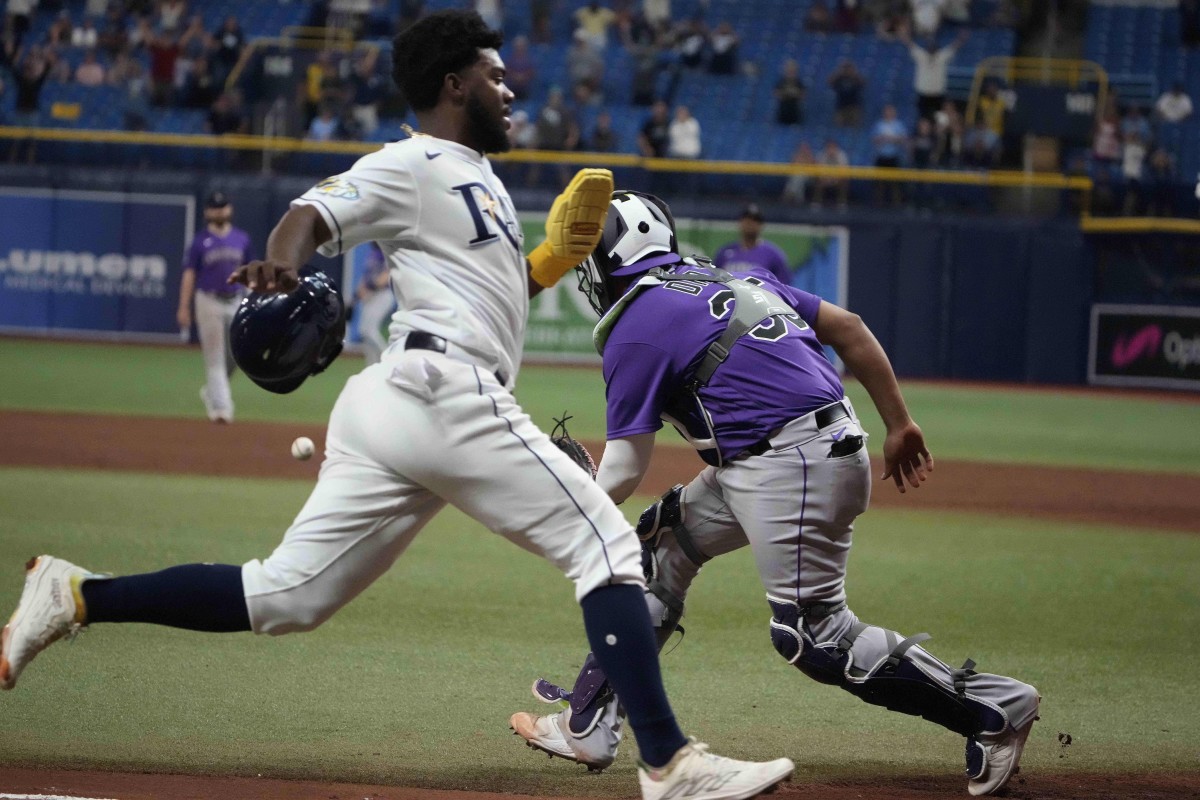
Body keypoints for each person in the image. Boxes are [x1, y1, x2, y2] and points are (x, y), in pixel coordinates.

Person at [0, 13, 794, 800]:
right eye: (493, 73)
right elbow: (308, 215)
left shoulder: (472, 173)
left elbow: (491, 296)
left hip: (398, 402)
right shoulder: (411, 162)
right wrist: (281, 264)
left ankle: (74, 594)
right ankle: (669, 765)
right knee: (613, 553)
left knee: (286, 596)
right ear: (454, 85)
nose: (508, 85)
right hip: (439, 391)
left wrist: (550, 259)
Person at [507, 190, 1041, 798]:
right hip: (779, 457)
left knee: (814, 637)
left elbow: (625, 467)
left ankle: (994, 709)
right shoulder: (735, 276)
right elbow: (849, 327)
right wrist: (899, 423)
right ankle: (590, 724)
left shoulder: (636, 327)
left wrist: (572, 509)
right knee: (659, 546)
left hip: (790, 462)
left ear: (607, 260)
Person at [176, 191, 253, 424]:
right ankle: (221, 408)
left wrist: (253, 299)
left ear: (229, 209)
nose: (219, 211)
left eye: (223, 207)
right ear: (207, 212)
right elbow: (189, 274)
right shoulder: (200, 242)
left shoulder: (242, 239)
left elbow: (250, 272)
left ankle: (213, 392)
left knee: (240, 355)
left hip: (236, 299)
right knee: (215, 357)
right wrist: (183, 306)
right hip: (208, 300)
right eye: (215, 207)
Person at [901, 24, 967, 122]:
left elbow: (953, 47)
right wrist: (904, 35)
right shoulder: (921, 56)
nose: (931, 48)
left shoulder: (941, 56)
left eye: (933, 46)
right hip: (923, 95)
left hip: (938, 95)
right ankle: (923, 135)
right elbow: (910, 45)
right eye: (929, 46)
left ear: (936, 48)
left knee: (940, 119)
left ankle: (940, 135)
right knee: (923, 119)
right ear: (927, 48)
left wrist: (961, 38)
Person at [713, 203, 791, 284]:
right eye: (747, 219)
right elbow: (714, 280)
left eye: (755, 220)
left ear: (761, 225)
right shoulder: (725, 252)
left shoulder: (773, 255)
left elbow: (784, 284)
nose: (750, 223)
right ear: (740, 223)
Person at [353, 243, 393, 366]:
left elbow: (384, 278)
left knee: (370, 331)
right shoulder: (372, 255)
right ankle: (371, 365)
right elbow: (366, 277)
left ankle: (390, 359)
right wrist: (355, 298)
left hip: (383, 295)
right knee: (363, 331)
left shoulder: (386, 253)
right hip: (371, 296)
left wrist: (370, 287)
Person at [828, 59, 865, 127]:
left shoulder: (855, 79)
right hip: (841, 106)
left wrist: (854, 73)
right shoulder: (839, 79)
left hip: (854, 106)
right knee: (838, 126)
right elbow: (830, 82)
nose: (847, 71)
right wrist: (839, 73)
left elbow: (863, 83)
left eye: (849, 68)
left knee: (855, 126)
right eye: (845, 69)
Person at [774, 58, 805, 125]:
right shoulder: (781, 82)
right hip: (783, 112)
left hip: (795, 113)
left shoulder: (798, 82)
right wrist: (790, 92)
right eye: (789, 69)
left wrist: (792, 93)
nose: (790, 71)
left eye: (792, 70)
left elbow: (802, 95)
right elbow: (777, 94)